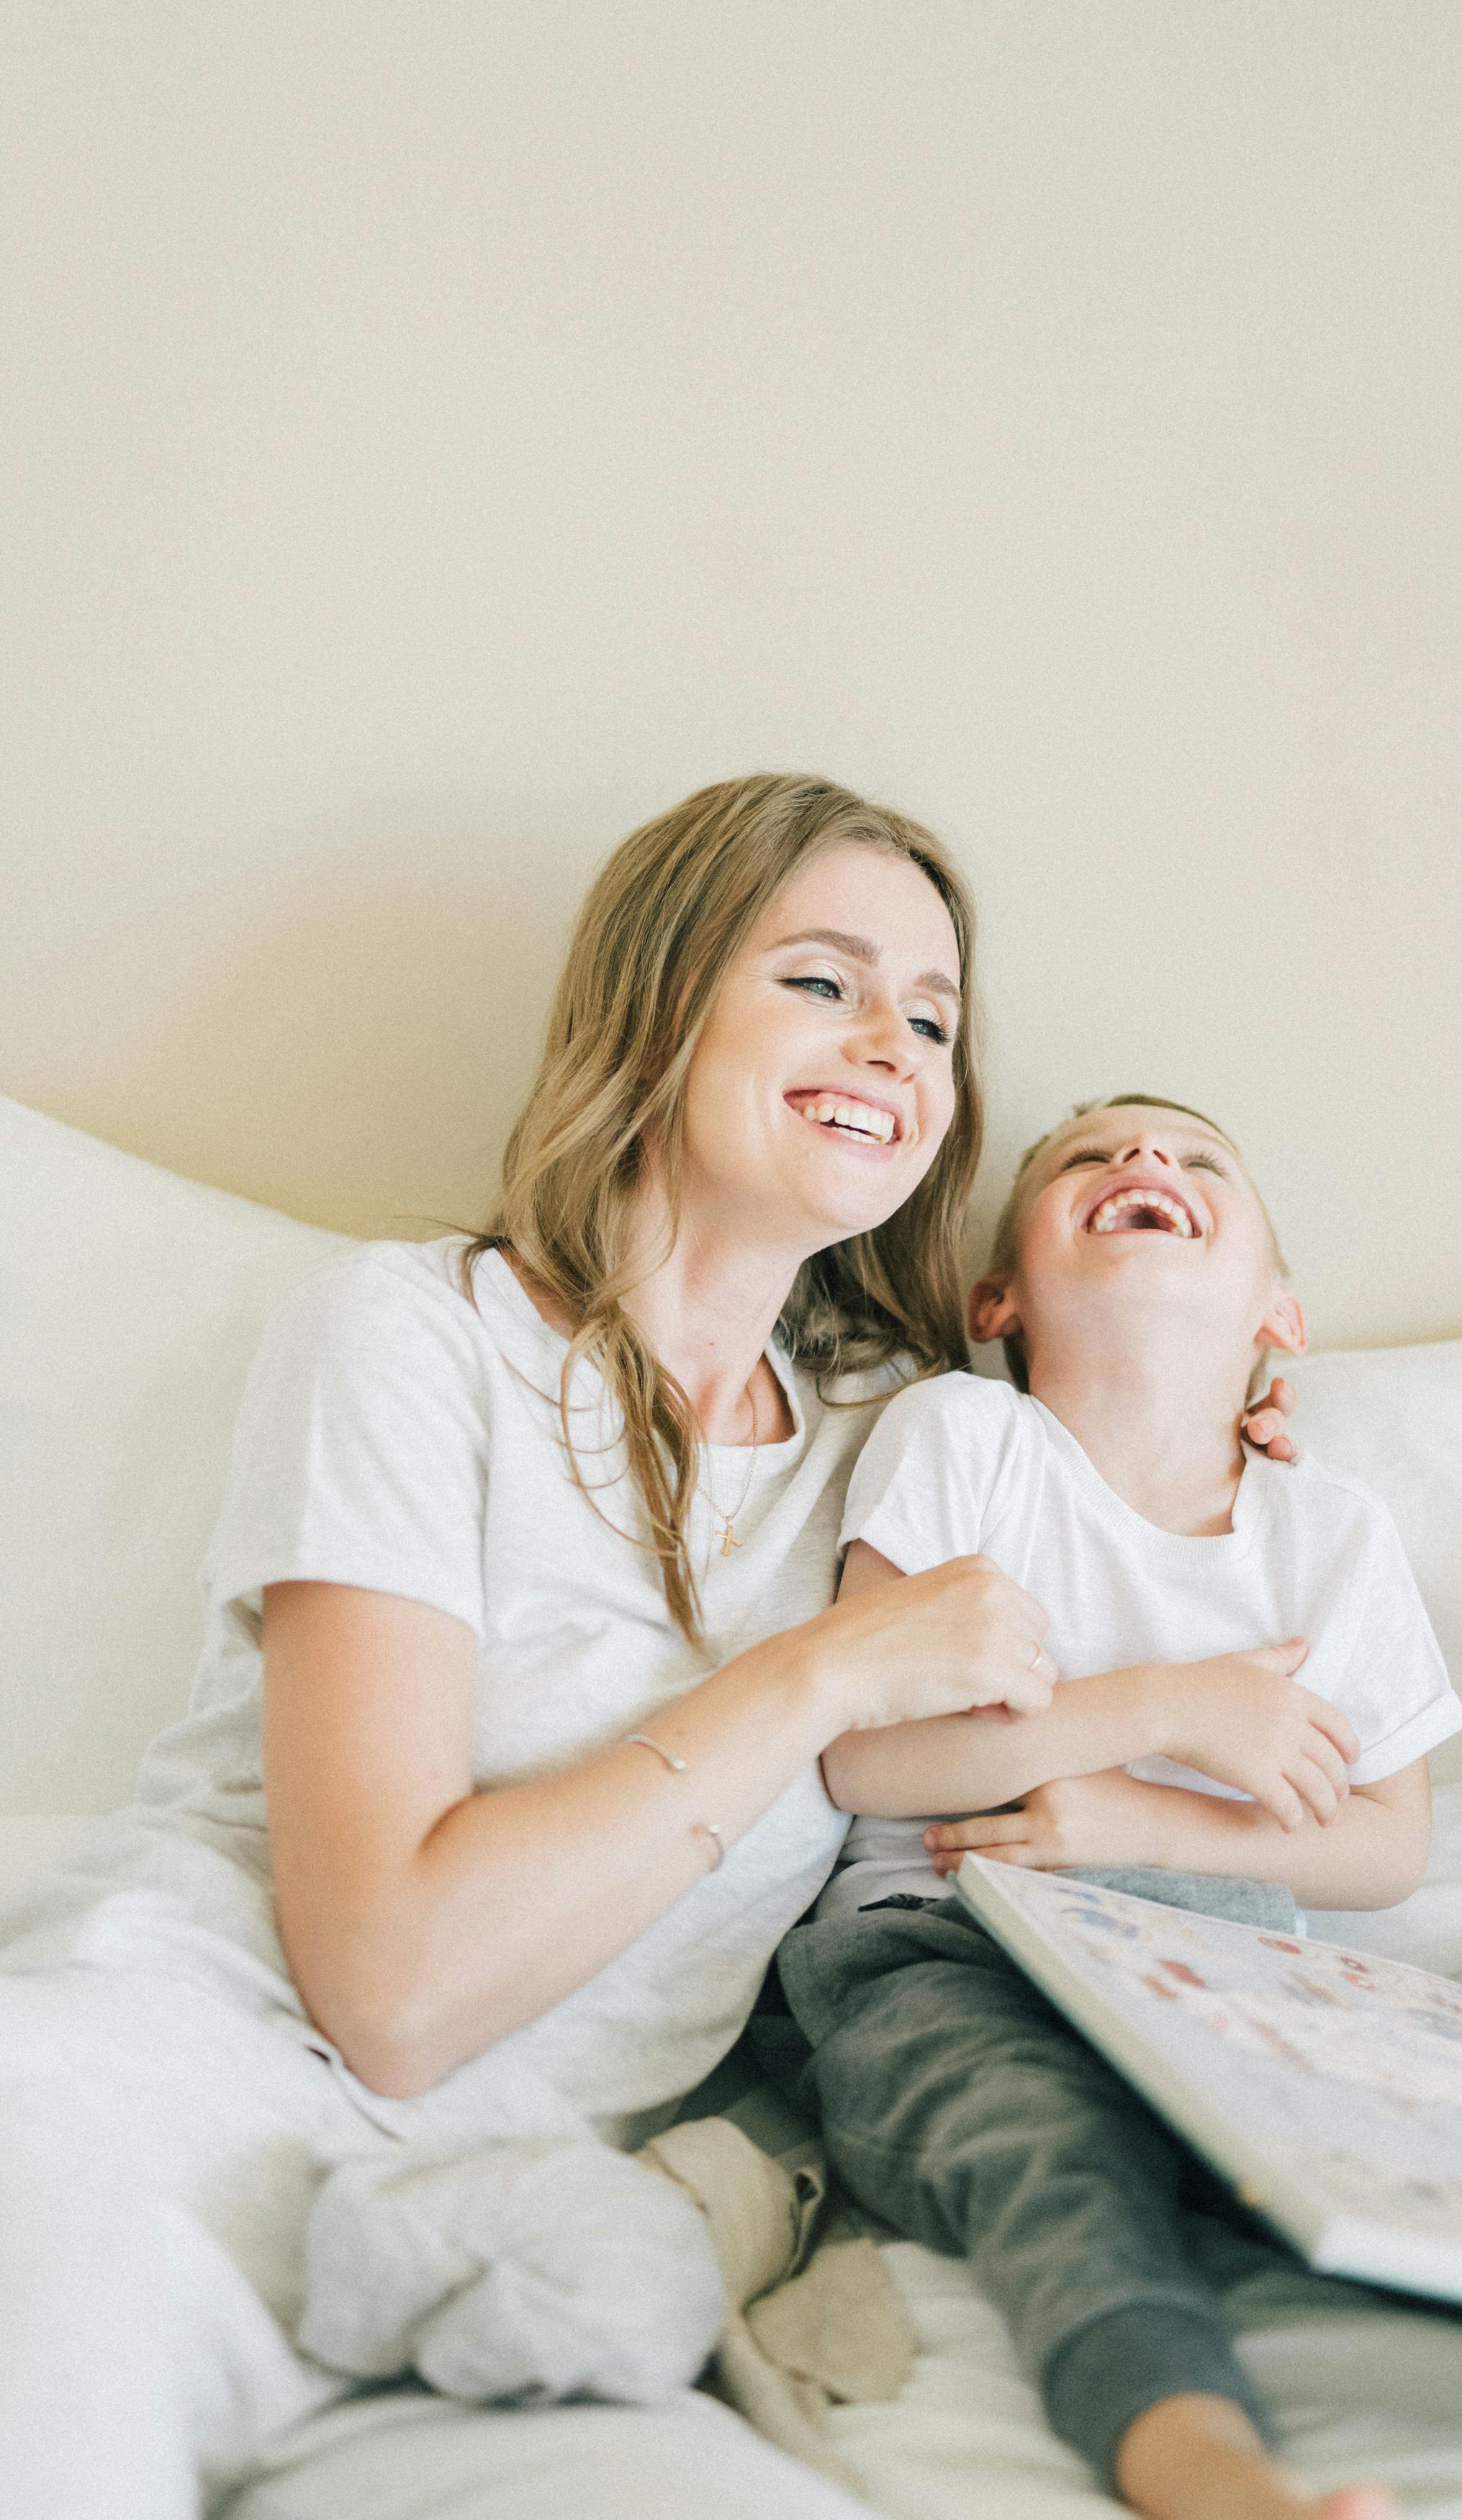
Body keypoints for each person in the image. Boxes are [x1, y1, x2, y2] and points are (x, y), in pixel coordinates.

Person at [0, 775, 1083, 2520]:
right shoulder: (413, 1338)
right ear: (655, 1006)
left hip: (517, 2244)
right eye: (821, 980)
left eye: (935, 1014)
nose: (893, 1038)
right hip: (169, 2106)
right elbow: (395, 1988)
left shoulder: (898, 1450)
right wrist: (814, 1672)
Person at [774, 1094, 1462, 2520]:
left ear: (1280, 1317)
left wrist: (1136, 1822)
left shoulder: (1329, 1531)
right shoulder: (965, 1438)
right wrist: (1165, 1706)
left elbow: (1388, 1844)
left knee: (1450, 2203)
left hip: (1238, 1976)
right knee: (1050, 2163)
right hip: (944, 1948)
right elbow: (861, 1763)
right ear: (997, 1296)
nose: (1146, 1164)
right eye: (1095, 1157)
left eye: (1198, 1163)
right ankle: (1208, 2474)